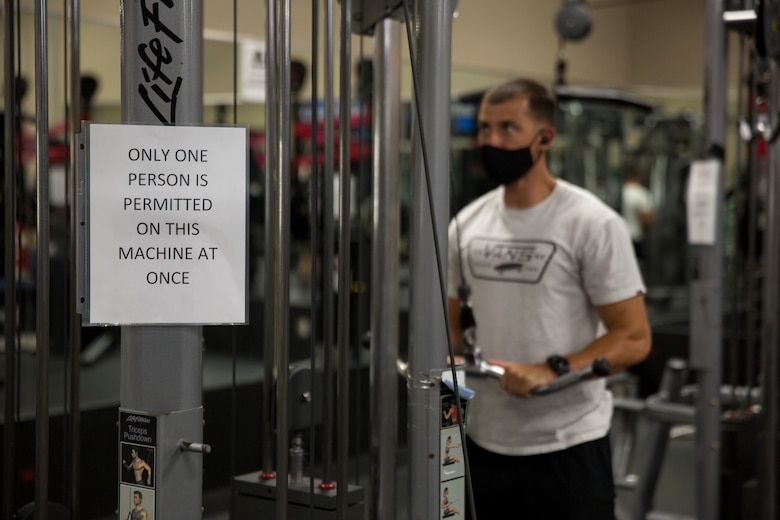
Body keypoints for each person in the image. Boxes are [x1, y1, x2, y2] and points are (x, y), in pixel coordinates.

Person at [447, 78, 651, 519]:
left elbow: (633, 338)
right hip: (483, 440)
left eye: (507, 129)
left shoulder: (592, 223)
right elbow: (451, 331)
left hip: (567, 444)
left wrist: (549, 370)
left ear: (545, 139)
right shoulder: (465, 224)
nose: (491, 141)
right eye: (484, 128)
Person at [620, 165, 655, 264]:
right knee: (639, 268)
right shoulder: (640, 193)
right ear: (638, 176)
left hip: (619, 236)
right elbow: (646, 220)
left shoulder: (620, 191)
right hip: (634, 238)